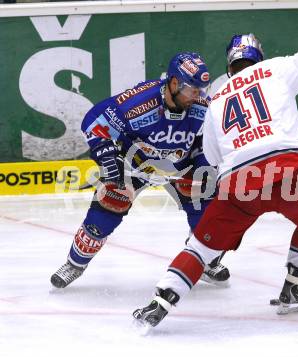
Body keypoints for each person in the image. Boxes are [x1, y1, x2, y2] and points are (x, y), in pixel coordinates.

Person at [133, 43, 298, 327]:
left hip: (240, 181)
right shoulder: (276, 69)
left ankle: (160, 301)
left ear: (229, 68)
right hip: (290, 171)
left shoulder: (216, 101)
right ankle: (295, 286)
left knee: (200, 248)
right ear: (259, 59)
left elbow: (213, 158)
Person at [50, 52, 230, 288]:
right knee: (112, 198)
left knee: (209, 204)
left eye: (200, 90)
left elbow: (209, 141)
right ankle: (75, 264)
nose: (196, 96)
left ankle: (205, 260)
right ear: (174, 83)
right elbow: (94, 121)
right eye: (191, 90)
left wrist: (204, 164)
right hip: (135, 164)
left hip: (179, 166)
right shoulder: (139, 103)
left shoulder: (203, 108)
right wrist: (108, 157)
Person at [208, 33, 264, 98]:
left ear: (229, 68)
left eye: (248, 66)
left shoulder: (217, 87)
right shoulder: (274, 81)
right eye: (238, 66)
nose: (243, 73)